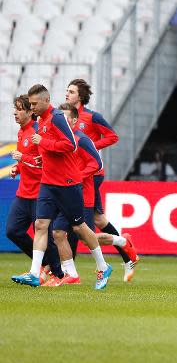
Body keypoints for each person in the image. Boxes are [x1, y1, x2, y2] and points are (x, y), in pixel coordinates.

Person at [11, 84, 112, 290]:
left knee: (79, 228)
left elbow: (70, 145)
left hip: (68, 183)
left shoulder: (57, 117)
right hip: (48, 183)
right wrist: (38, 159)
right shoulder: (41, 120)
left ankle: (103, 266)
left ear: (46, 100)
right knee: (41, 225)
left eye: (34, 104)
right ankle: (34, 272)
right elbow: (49, 151)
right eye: (30, 104)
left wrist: (44, 143)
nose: (32, 108)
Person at [44, 103, 138, 287]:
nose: (62, 121)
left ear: (75, 120)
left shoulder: (82, 139)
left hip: (81, 194)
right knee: (58, 232)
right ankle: (71, 274)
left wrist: (77, 176)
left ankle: (118, 245)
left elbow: (97, 164)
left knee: (84, 236)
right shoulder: (61, 142)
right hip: (64, 192)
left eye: (66, 118)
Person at [65, 79, 137, 281]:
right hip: (76, 174)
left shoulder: (92, 117)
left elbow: (112, 136)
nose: (67, 94)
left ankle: (70, 272)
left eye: (71, 92)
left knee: (80, 225)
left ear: (80, 96)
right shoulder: (65, 118)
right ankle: (127, 251)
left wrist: (91, 145)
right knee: (97, 220)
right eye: (67, 91)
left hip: (91, 174)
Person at [5, 94, 63, 282]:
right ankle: (43, 265)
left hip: (40, 193)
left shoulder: (37, 133)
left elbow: (44, 164)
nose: (15, 112)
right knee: (13, 231)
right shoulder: (22, 132)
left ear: (30, 112)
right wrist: (17, 168)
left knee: (48, 236)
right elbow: (27, 161)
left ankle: (59, 274)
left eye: (19, 109)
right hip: (23, 193)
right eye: (15, 108)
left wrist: (23, 160)